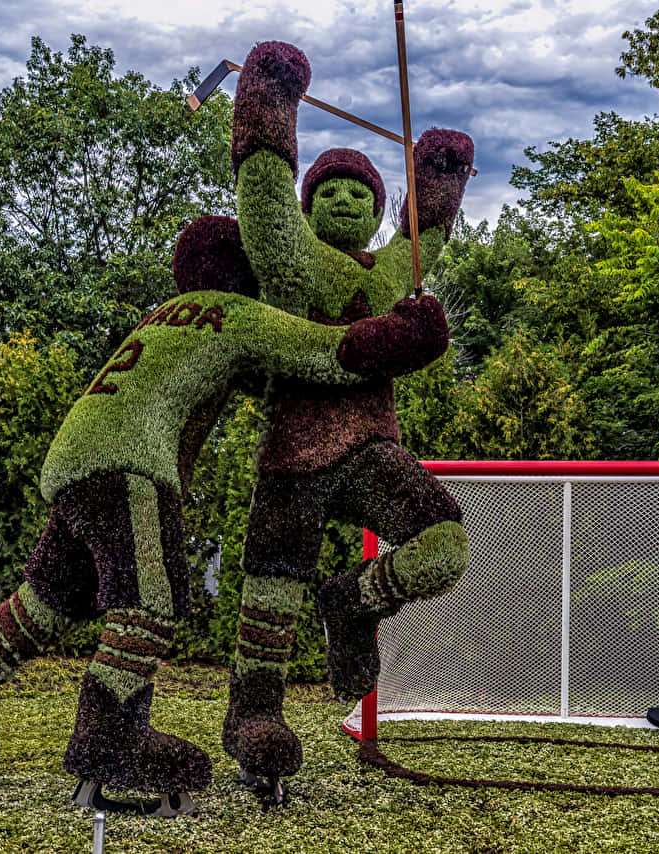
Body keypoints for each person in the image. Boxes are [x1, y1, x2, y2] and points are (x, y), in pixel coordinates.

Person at [0, 214, 451, 817]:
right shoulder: (234, 312)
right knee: (154, 600)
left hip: (74, 458)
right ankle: (111, 741)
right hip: (130, 463)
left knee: (45, 605)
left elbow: (250, 375)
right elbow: (329, 353)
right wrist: (408, 333)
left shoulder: (165, 317)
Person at [222, 40, 475, 802]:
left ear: (376, 210)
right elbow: (262, 201)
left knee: (445, 543)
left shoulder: (391, 272)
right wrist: (268, 100)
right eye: (328, 190)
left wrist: (437, 180)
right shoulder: (291, 258)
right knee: (269, 594)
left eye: (359, 193)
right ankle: (253, 718)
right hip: (292, 455)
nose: (344, 201)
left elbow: (424, 240)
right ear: (309, 205)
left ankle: (353, 600)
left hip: (372, 449)